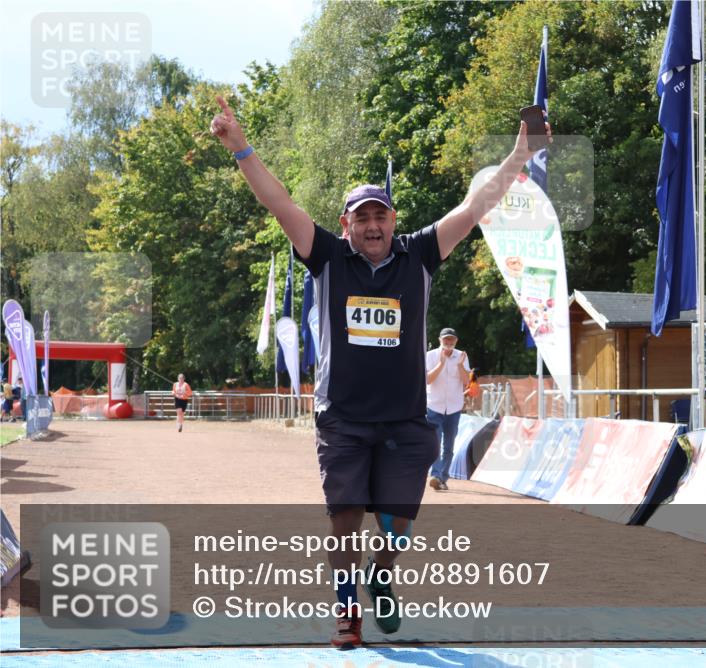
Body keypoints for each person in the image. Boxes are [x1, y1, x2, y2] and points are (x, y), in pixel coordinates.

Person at [210, 94, 549, 648]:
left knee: (396, 526)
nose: (372, 225)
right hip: (342, 418)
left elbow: (474, 207)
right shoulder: (326, 255)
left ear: (393, 221)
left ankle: (381, 572)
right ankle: (347, 611)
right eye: (361, 217)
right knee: (344, 517)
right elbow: (280, 203)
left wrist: (519, 154)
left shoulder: (420, 255)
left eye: (380, 215)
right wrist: (241, 148)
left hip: (404, 421)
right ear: (346, 225)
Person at [425, 328, 470, 491]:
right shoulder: (430, 355)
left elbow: (467, 382)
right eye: (446, 339)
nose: (448, 342)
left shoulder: (462, 356)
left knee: (449, 446)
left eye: (451, 339)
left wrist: (460, 366)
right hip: (434, 406)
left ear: (456, 341)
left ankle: (443, 478)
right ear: (440, 340)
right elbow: (427, 380)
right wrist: (441, 363)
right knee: (435, 443)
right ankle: (436, 475)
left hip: (454, 407)